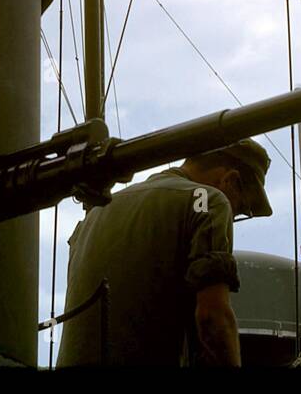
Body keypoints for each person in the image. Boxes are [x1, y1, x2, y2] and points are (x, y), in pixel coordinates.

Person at [54, 139, 273, 367]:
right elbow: (212, 318)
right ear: (231, 181)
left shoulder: (95, 215)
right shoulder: (207, 200)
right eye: (241, 208)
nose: (234, 215)